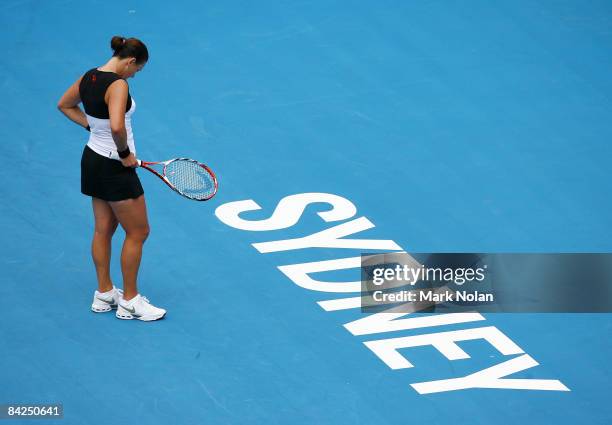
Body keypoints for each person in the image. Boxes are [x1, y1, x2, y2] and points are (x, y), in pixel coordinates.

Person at [57, 35, 166, 321]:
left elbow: (65, 105)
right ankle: (130, 300)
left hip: (92, 159)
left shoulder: (88, 76)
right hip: (114, 167)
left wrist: (92, 128)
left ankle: (104, 293)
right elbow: (117, 126)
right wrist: (126, 154)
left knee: (103, 230)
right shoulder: (118, 85)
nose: (134, 75)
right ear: (130, 62)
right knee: (138, 232)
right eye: (137, 70)